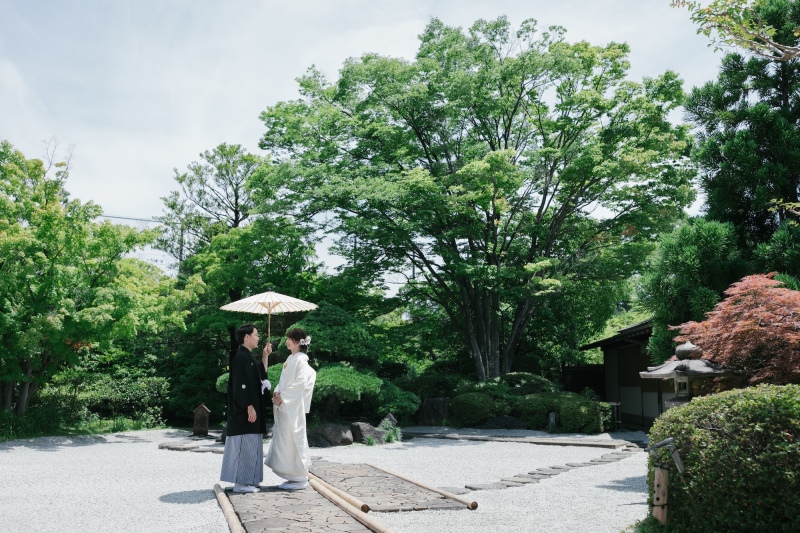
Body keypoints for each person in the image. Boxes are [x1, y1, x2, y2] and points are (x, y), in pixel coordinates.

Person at [220, 324, 271, 493]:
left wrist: (265, 356)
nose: (258, 338)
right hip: (244, 411)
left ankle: (248, 481)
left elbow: (260, 374)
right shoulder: (240, 357)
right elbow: (241, 385)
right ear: (246, 337)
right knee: (244, 445)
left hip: (251, 408)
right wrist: (249, 406)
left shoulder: (247, 356)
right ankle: (241, 483)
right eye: (256, 334)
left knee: (251, 444)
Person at [264, 327, 317, 490]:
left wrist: (283, 397)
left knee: (295, 438)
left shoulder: (301, 360)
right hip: (286, 405)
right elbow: (283, 381)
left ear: (297, 342)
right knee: (285, 439)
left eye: (289, 339)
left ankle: (300, 477)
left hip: (293, 406)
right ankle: (292, 476)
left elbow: (300, 383)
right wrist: (277, 392)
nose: (286, 341)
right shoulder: (291, 358)